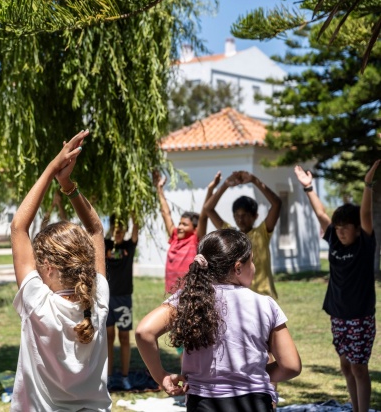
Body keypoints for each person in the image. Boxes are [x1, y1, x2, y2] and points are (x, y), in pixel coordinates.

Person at [136, 229, 301, 411]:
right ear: (238, 267)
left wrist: (161, 376)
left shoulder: (188, 299)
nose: (253, 266)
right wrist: (255, 374)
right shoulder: (265, 304)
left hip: (202, 403)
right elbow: (291, 366)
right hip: (254, 402)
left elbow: (144, 332)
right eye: (251, 261)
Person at [9, 129, 111, 410]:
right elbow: (96, 229)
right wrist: (67, 185)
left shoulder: (38, 303)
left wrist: (52, 169)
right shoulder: (98, 300)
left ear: (49, 267)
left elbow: (19, 226)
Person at [294, 163, 378, 412]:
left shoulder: (364, 245)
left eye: (346, 227)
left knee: (359, 368)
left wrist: (368, 185)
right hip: (338, 314)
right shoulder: (333, 240)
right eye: (338, 227)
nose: (340, 232)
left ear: (356, 229)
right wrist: (308, 186)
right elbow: (321, 214)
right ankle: (355, 408)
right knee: (345, 366)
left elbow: (365, 215)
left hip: (360, 317)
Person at [203, 171, 281, 298]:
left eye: (245, 215)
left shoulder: (262, 232)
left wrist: (255, 180)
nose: (240, 219)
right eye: (237, 215)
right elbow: (208, 209)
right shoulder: (230, 235)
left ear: (255, 216)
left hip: (263, 294)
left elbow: (277, 204)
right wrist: (225, 185)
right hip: (240, 298)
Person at [154, 171, 221, 294]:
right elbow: (166, 213)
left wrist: (210, 189)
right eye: (179, 223)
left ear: (195, 228)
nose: (179, 227)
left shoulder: (195, 239)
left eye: (185, 225)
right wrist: (159, 189)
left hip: (189, 293)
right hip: (172, 292)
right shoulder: (174, 237)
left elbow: (204, 216)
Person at [105, 214, 138, 391]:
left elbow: (136, 229)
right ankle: (109, 377)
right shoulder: (105, 245)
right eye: (115, 229)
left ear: (125, 230)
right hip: (107, 297)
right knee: (108, 337)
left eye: (121, 229)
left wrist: (135, 210)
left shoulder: (129, 246)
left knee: (124, 337)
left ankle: (125, 377)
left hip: (124, 298)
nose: (118, 232)